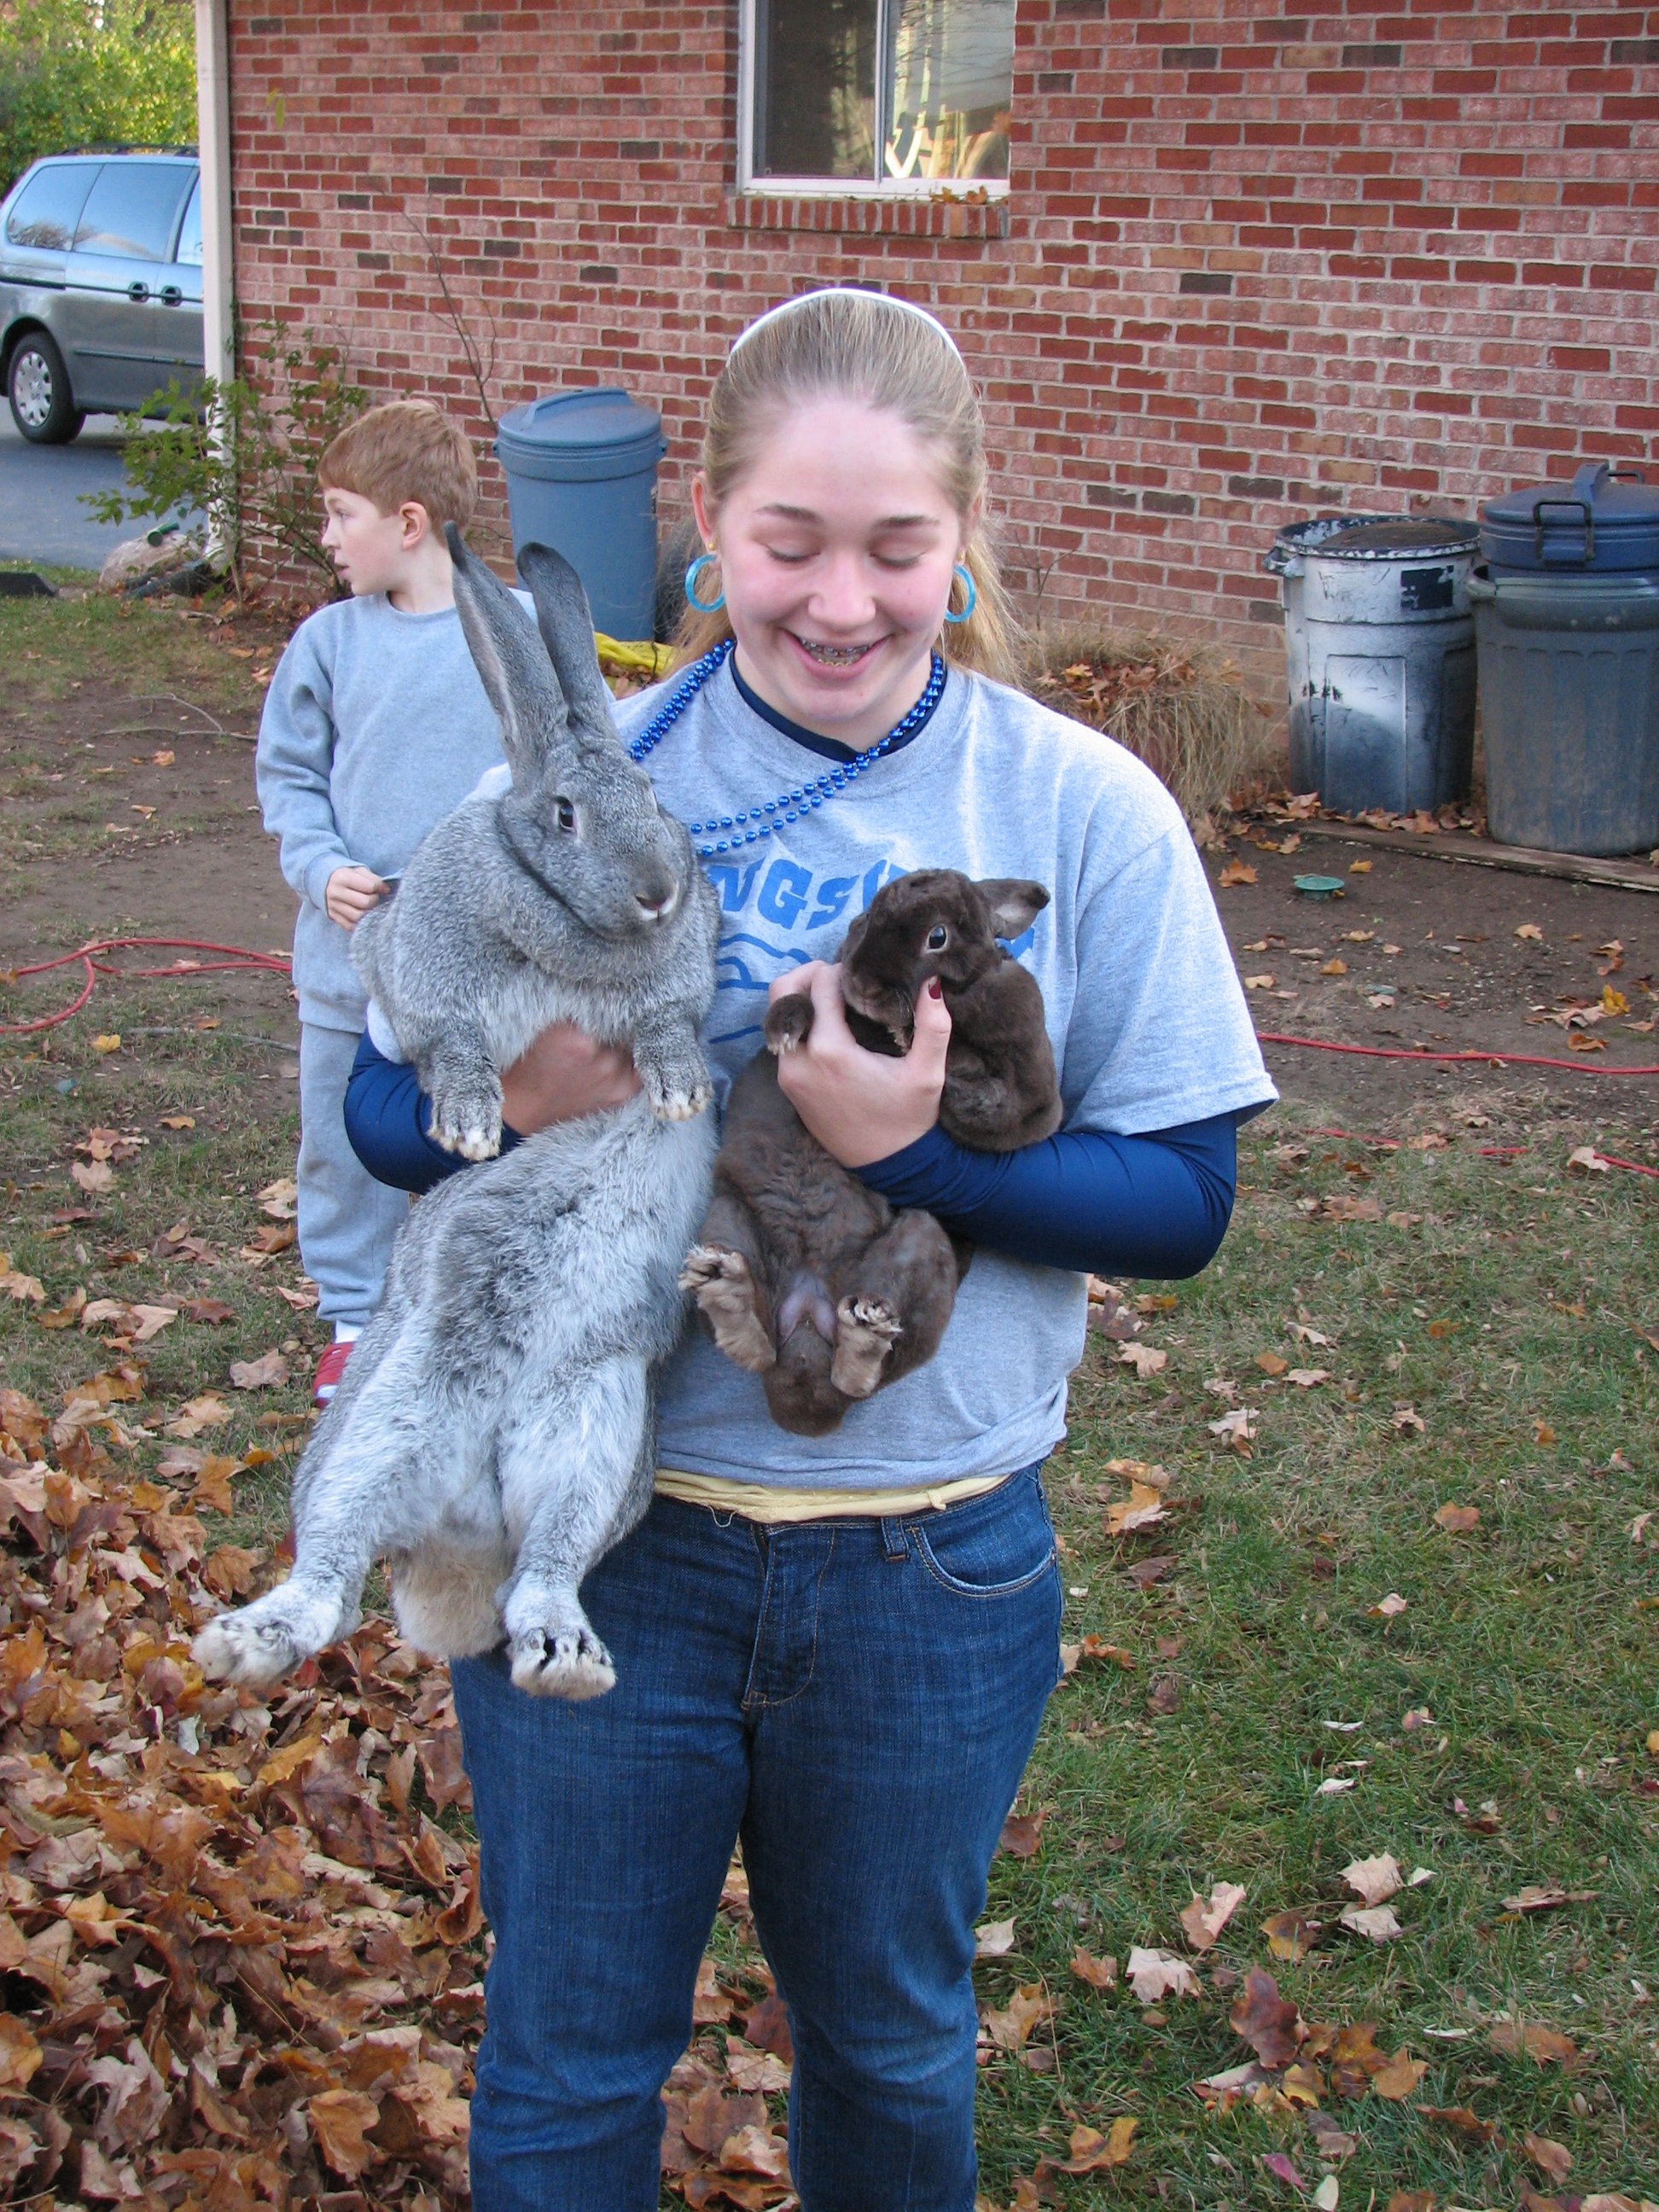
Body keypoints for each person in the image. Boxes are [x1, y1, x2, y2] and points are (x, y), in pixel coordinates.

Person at [345, 290, 1277, 2212]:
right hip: (597, 1545)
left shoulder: (1076, 810)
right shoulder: (573, 794)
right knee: (572, 2057)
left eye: (896, 549)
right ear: (706, 518)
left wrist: (921, 1158)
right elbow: (378, 1116)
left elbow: (1183, 1204)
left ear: (966, 537)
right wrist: (511, 1106)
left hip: (928, 1567)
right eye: (787, 544)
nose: (840, 601)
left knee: (891, 2045)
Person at [254, 399, 508, 1406]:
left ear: (409, 524)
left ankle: (464, 1308)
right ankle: (356, 1319)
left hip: (479, 970)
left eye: (337, 515)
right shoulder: (326, 644)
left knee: (479, 1134)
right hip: (348, 960)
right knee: (342, 1143)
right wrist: (320, 870)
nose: (325, 539)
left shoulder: (511, 632)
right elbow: (290, 778)